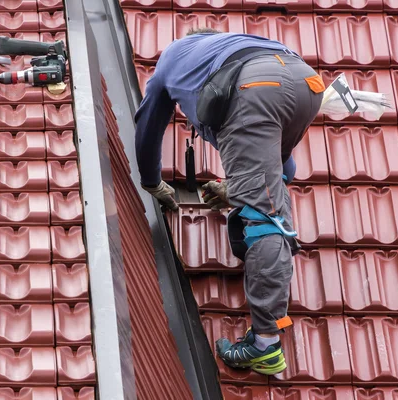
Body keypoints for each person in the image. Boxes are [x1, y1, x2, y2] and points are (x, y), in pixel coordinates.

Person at [134, 27, 325, 376]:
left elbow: (147, 126)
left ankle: (265, 344)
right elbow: (282, 164)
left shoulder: (172, 57)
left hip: (256, 89)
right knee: (265, 197)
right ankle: (264, 253)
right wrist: (240, 186)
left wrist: (150, 180)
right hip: (306, 82)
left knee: (263, 215)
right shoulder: (236, 46)